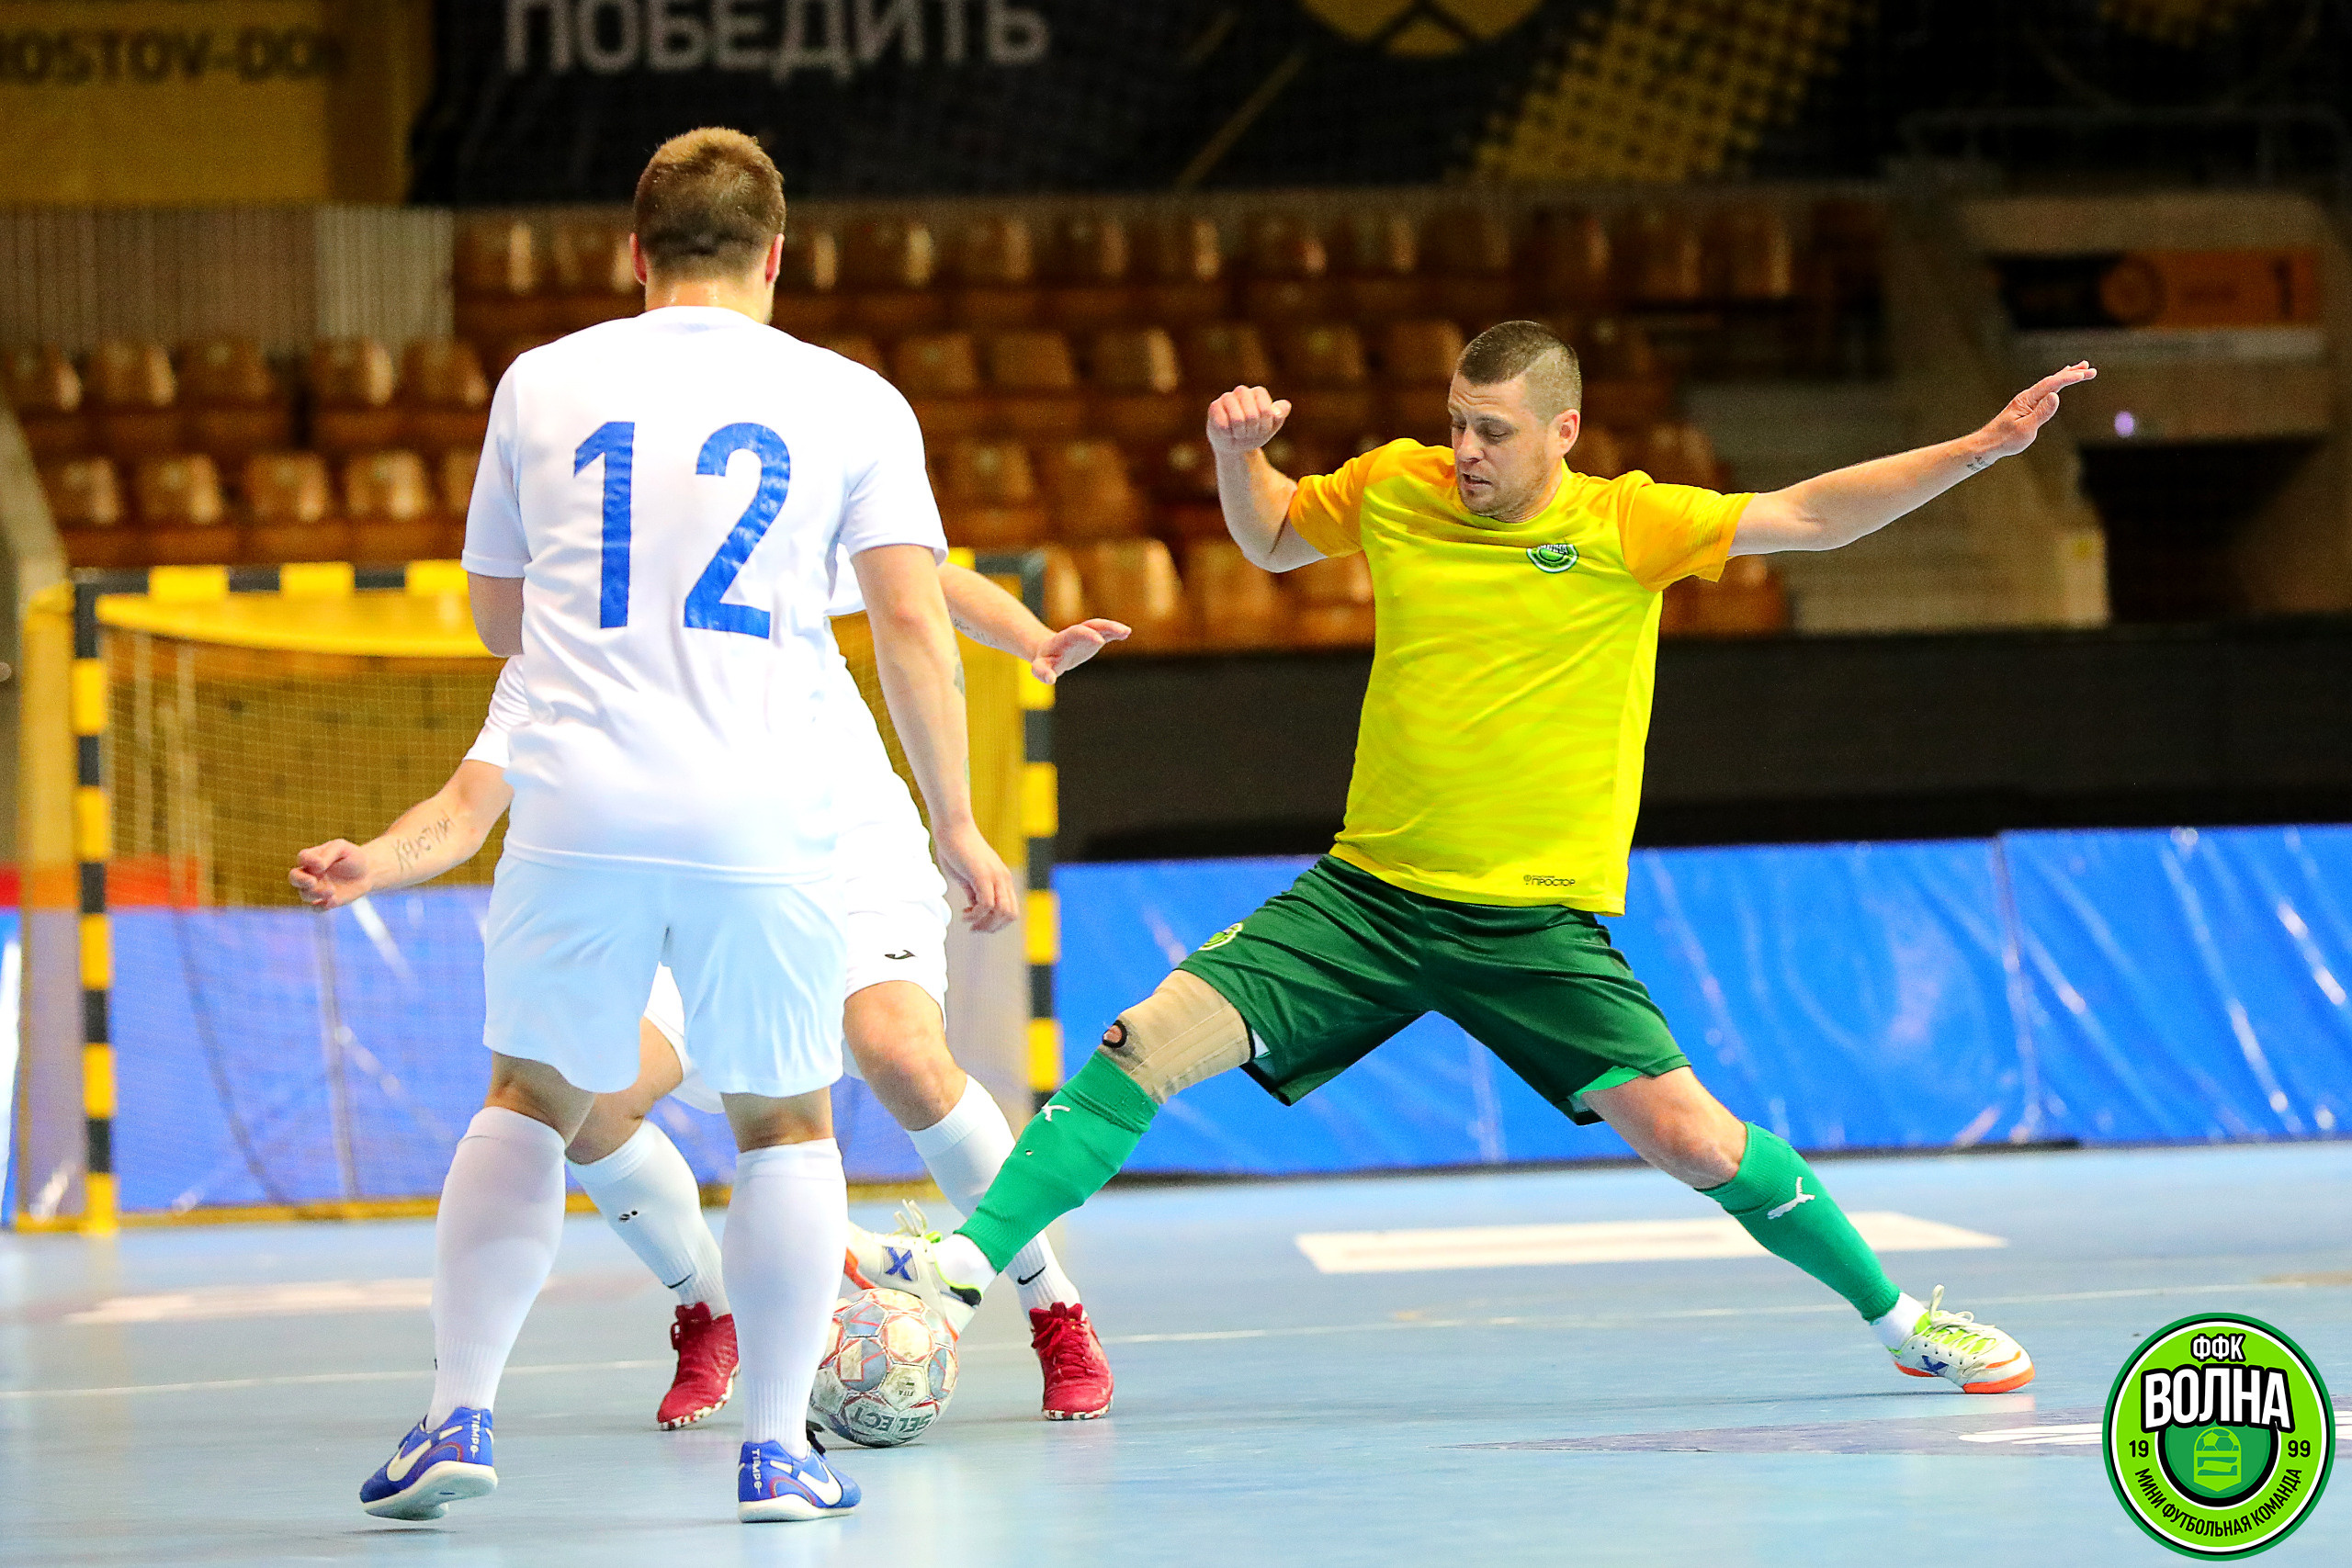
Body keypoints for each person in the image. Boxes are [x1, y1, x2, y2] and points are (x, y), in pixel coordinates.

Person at [885, 320, 2098, 1401]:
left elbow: (1820, 514)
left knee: (1699, 1141)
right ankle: (956, 1272)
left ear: (1562, 431)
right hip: (1364, 903)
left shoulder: (1632, 521)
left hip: (1532, 931)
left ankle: (1903, 1319)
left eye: (1493, 430)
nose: (1464, 448)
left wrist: (1979, 449)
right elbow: (1265, 545)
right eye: (1456, 422)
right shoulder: (1398, 488)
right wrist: (1234, 455)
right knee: (1140, 1043)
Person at [346, 126, 1017, 1527]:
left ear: (632, 253)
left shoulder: (540, 379)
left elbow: (495, 613)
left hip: (582, 794)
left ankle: (454, 1413)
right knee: (783, 1121)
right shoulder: (853, 398)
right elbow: (908, 620)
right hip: (763, 805)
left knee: (530, 1096)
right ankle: (777, 1450)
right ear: (780, 255)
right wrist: (955, 819)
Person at [292, 559, 1125, 1430]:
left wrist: (1032, 639)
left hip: (848, 863)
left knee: (902, 1052)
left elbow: (923, 582)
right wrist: (376, 861)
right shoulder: (555, 660)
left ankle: (1050, 1303)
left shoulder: (750, 564)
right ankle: (710, 1304)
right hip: (697, 895)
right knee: (592, 1106)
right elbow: (465, 809)